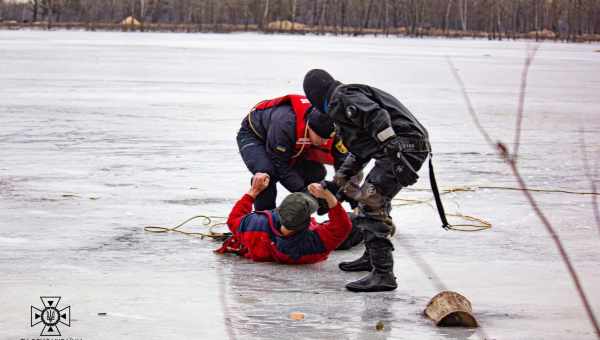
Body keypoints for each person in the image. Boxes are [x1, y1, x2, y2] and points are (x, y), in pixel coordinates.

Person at [303, 69, 432, 292]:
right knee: (375, 198)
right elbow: (360, 151)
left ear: (315, 94)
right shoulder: (342, 104)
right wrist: (337, 184)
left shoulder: (341, 98)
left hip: (403, 147)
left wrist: (392, 147)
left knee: (370, 202)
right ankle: (372, 258)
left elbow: (376, 116)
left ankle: (383, 274)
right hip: (404, 145)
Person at [237, 94, 345, 212]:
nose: (324, 142)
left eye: (327, 139)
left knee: (316, 173)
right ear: (310, 127)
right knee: (267, 174)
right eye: (321, 138)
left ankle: (301, 217)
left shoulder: (327, 125)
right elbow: (280, 165)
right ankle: (264, 217)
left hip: (284, 141)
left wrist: (339, 191)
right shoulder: (286, 124)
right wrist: (304, 191)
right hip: (255, 135)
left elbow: (342, 159)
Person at [216, 173, 352, 264]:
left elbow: (233, 220)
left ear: (279, 210)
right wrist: (328, 196)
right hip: (339, 237)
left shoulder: (255, 225)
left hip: (268, 240)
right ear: (307, 221)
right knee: (356, 222)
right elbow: (343, 227)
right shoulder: (312, 244)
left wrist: (254, 191)